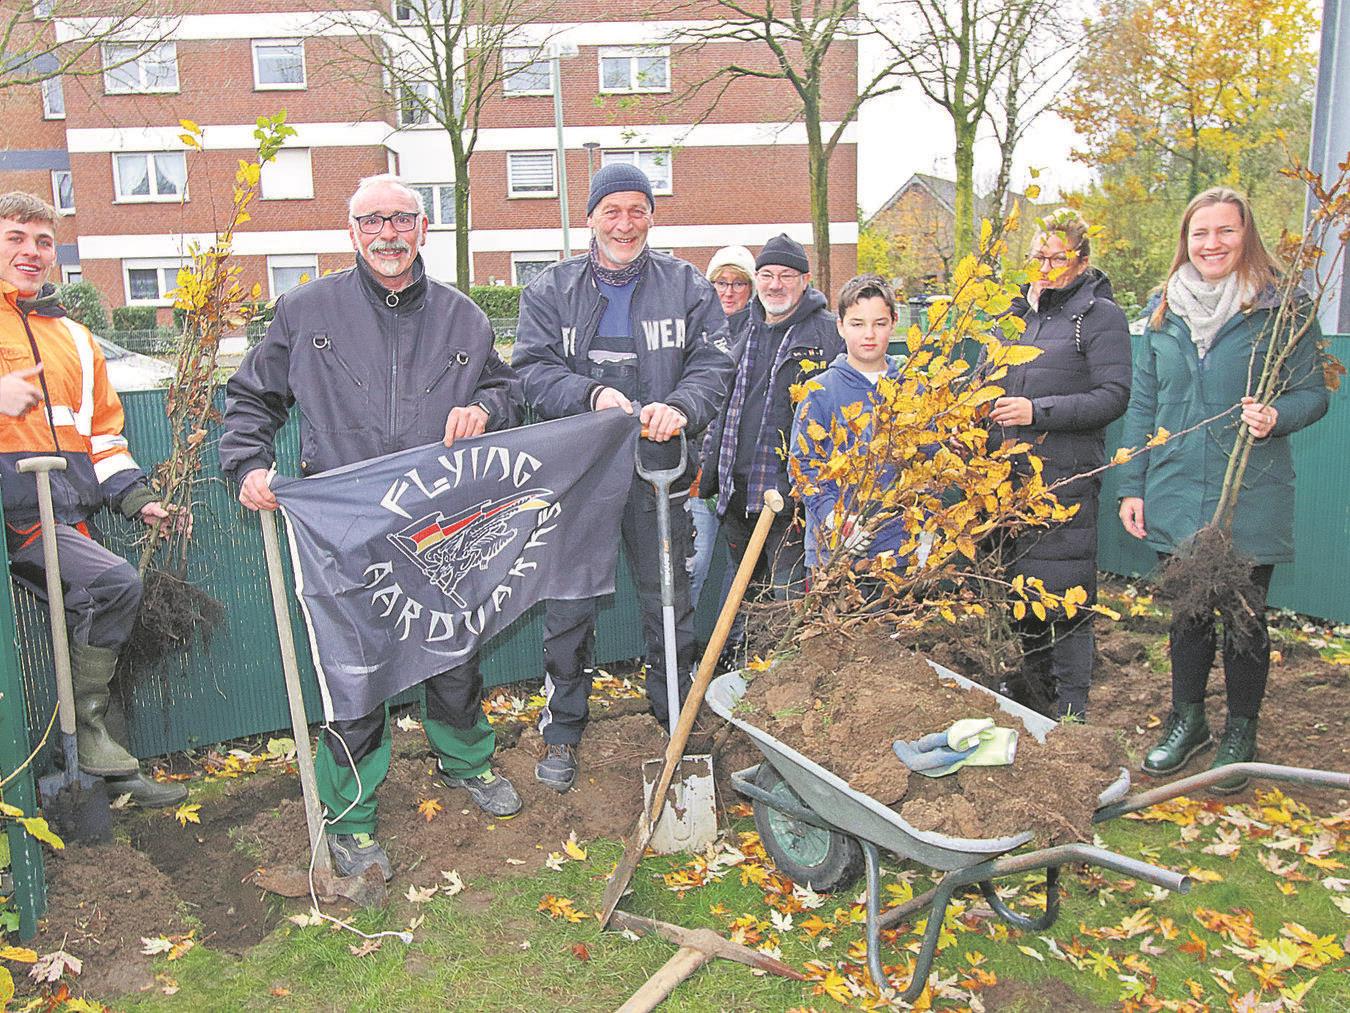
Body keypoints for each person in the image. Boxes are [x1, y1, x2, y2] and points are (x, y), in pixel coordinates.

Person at [220, 174, 524, 880]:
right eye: (371, 221)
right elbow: (251, 397)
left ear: (423, 228)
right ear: (351, 232)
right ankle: (351, 812)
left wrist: (486, 409)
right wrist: (247, 466)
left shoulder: (464, 317)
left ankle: (466, 761)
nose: (387, 233)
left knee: (452, 646)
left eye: (401, 219)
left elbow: (504, 388)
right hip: (342, 523)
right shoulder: (305, 310)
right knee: (354, 668)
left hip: (438, 521)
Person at [512, 162, 736, 793]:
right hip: (579, 476)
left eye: (637, 209)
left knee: (669, 599)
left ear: (651, 216)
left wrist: (682, 408)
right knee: (568, 606)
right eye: (612, 210)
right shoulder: (550, 291)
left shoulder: (687, 287)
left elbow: (715, 365)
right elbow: (529, 369)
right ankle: (562, 731)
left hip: (656, 472)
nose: (625, 222)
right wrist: (590, 395)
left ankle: (676, 722)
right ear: (590, 218)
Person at [1119, 187, 1330, 792]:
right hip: (1177, 485)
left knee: (1243, 617)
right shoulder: (1163, 311)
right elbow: (1143, 405)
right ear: (1186, 241)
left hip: (1251, 489)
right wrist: (1132, 484)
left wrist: (1275, 416)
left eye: (1225, 232)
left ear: (1247, 235)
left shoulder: (1282, 309)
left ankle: (1241, 729)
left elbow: (1312, 393)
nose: (1212, 244)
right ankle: (1188, 721)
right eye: (1200, 233)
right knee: (1187, 615)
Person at [0, 192, 187, 807]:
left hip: (65, 514)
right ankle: (88, 746)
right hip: (17, 515)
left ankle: (94, 760)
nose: (31, 252)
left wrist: (137, 499)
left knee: (105, 596)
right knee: (112, 588)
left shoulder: (76, 339)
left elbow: (102, 434)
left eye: (43, 241)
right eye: (15, 237)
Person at [989, 210, 1131, 720]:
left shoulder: (1099, 317)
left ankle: (1072, 712)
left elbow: (1114, 396)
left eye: (1058, 258)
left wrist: (1037, 412)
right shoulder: (1016, 315)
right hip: (1009, 482)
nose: (1045, 268)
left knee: (1066, 599)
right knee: (1022, 591)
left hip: (1064, 479)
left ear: (1082, 261)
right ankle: (1035, 694)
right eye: (1038, 257)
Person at [699, 234, 842, 661]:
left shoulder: (826, 334)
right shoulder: (742, 327)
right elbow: (721, 405)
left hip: (790, 496)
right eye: (766, 275)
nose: (775, 284)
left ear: (804, 281)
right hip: (738, 489)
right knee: (743, 589)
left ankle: (785, 679)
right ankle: (737, 669)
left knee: (785, 595)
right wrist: (707, 475)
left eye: (785, 275)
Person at [790, 273, 908, 568]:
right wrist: (836, 520)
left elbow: (929, 467)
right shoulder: (819, 392)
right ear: (840, 326)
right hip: (834, 557)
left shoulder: (912, 391)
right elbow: (803, 468)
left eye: (879, 323)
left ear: (893, 322)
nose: (869, 334)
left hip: (900, 554)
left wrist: (926, 538)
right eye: (857, 324)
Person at [689, 245, 756, 606]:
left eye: (739, 283)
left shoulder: (762, 335)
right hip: (699, 474)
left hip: (741, 477)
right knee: (694, 562)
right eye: (720, 282)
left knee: (743, 569)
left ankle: (731, 647)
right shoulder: (693, 332)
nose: (728, 291)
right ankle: (679, 651)